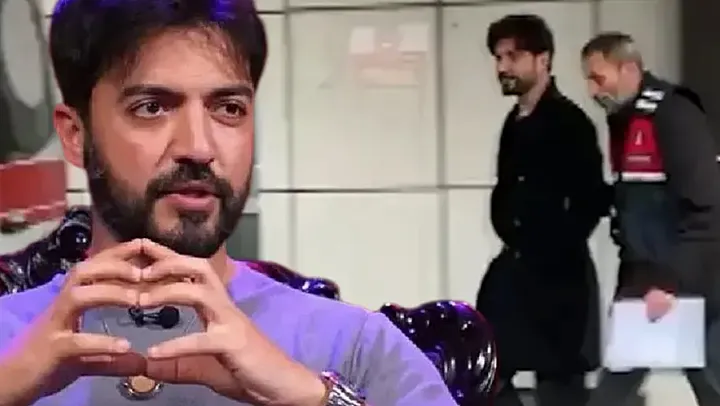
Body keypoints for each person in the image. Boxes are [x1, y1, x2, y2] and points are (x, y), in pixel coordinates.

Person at [0, 1, 458, 405]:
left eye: (229, 108)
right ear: (75, 135)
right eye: (152, 107)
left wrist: (310, 397)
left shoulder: (353, 347)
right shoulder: (10, 342)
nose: (199, 148)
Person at [474, 14, 608, 406]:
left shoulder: (570, 123)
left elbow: (590, 199)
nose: (503, 67)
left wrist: (555, 243)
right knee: (486, 369)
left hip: (558, 275)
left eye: (513, 56)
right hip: (516, 269)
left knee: (559, 380)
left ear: (543, 59)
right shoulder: (514, 122)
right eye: (498, 58)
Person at [581, 31, 720, 405]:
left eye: (598, 78)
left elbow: (707, 206)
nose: (592, 91)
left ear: (629, 69)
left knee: (709, 382)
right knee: (615, 388)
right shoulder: (626, 120)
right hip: (645, 280)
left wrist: (671, 282)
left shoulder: (674, 114)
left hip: (685, 283)